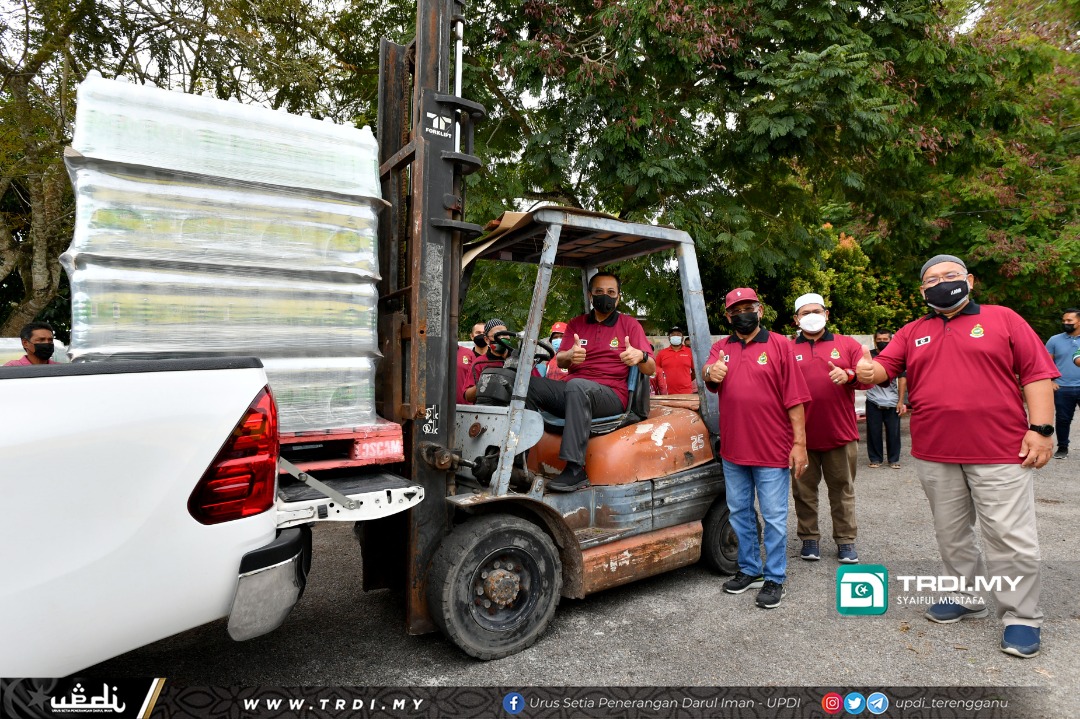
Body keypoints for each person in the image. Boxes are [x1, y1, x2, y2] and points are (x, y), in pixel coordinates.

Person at [856, 254, 1058, 658]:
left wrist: (1041, 431)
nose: (942, 282)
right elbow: (883, 369)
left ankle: (1021, 616)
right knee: (952, 534)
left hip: (1000, 450)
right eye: (932, 279)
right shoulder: (913, 331)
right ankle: (966, 596)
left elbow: (1037, 374)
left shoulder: (1004, 319)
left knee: (1009, 537)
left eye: (950, 275)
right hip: (935, 453)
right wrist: (865, 370)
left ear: (969, 280)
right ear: (922, 290)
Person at [704, 288, 810, 609]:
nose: (742, 313)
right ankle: (750, 569)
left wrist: (800, 444)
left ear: (760, 310)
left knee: (775, 517)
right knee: (740, 513)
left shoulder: (780, 345)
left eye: (748, 307)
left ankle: (775, 576)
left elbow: (795, 399)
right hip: (734, 450)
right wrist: (711, 372)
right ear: (727, 316)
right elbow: (708, 374)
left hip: (772, 451)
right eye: (736, 310)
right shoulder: (720, 348)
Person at [526, 272, 655, 492]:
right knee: (526, 385)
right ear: (590, 295)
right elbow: (562, 359)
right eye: (599, 292)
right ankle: (519, 460)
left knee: (577, 387)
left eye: (611, 292)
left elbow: (651, 367)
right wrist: (569, 356)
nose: (605, 296)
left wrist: (640, 357)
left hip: (612, 395)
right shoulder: (576, 324)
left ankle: (575, 469)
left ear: (618, 297)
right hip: (573, 390)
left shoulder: (630, 325)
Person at [789, 293, 868, 564]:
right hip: (801, 439)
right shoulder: (787, 349)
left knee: (842, 490)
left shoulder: (847, 345)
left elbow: (867, 377)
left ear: (826, 314)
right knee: (803, 492)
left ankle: (845, 541)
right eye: (805, 312)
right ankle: (809, 539)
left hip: (840, 434)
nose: (812, 315)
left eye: (817, 310)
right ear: (796, 319)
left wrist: (849, 376)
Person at [865, 329, 908, 469]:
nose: (882, 342)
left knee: (894, 432)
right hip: (873, 400)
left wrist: (901, 401)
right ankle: (875, 459)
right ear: (874, 339)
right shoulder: (868, 356)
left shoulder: (896, 357)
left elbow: (902, 379)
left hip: (892, 401)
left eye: (885, 340)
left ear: (891, 340)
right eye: (879, 339)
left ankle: (894, 459)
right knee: (873, 431)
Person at [1046, 308, 1080, 459]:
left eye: (1069, 321)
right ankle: (1062, 448)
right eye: (1064, 320)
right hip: (1062, 387)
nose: (1065, 323)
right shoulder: (1054, 340)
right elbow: (1046, 363)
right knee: (1062, 419)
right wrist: (1051, 381)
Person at [464, 318, 512, 403]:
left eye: (505, 334)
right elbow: (467, 396)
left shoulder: (519, 360)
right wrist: (484, 383)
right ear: (486, 340)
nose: (502, 338)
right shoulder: (479, 363)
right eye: (497, 335)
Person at [654, 327, 696, 394]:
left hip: (686, 392)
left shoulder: (690, 352)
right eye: (673, 334)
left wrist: (686, 381)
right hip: (666, 393)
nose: (675, 336)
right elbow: (656, 372)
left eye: (678, 334)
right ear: (669, 338)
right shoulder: (661, 353)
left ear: (682, 338)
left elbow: (695, 371)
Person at [455, 322, 488, 404]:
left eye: (484, 333)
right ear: (472, 336)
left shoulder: (496, 358)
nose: (481, 335)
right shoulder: (467, 355)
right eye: (478, 333)